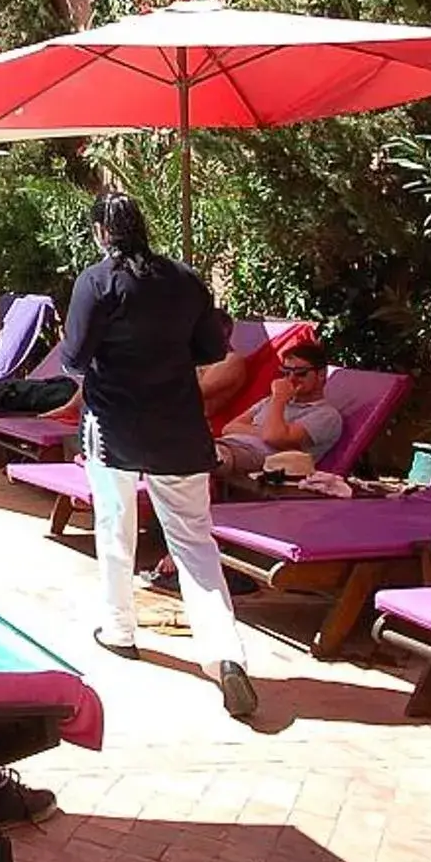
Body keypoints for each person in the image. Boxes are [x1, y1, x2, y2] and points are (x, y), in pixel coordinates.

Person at [61, 193, 257, 719]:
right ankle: (225, 654)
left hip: (113, 424)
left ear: (103, 232)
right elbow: (212, 350)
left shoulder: (96, 281)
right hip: (179, 426)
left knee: (116, 526)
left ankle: (120, 629)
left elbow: (74, 357)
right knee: (194, 540)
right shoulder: (187, 279)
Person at [215, 343, 343, 476]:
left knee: (205, 459)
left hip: (261, 459)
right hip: (226, 444)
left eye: (301, 373)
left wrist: (279, 399)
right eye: (286, 372)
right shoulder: (271, 401)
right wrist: (266, 431)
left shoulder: (326, 415)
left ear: (321, 375)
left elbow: (274, 438)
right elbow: (229, 428)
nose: (291, 379)